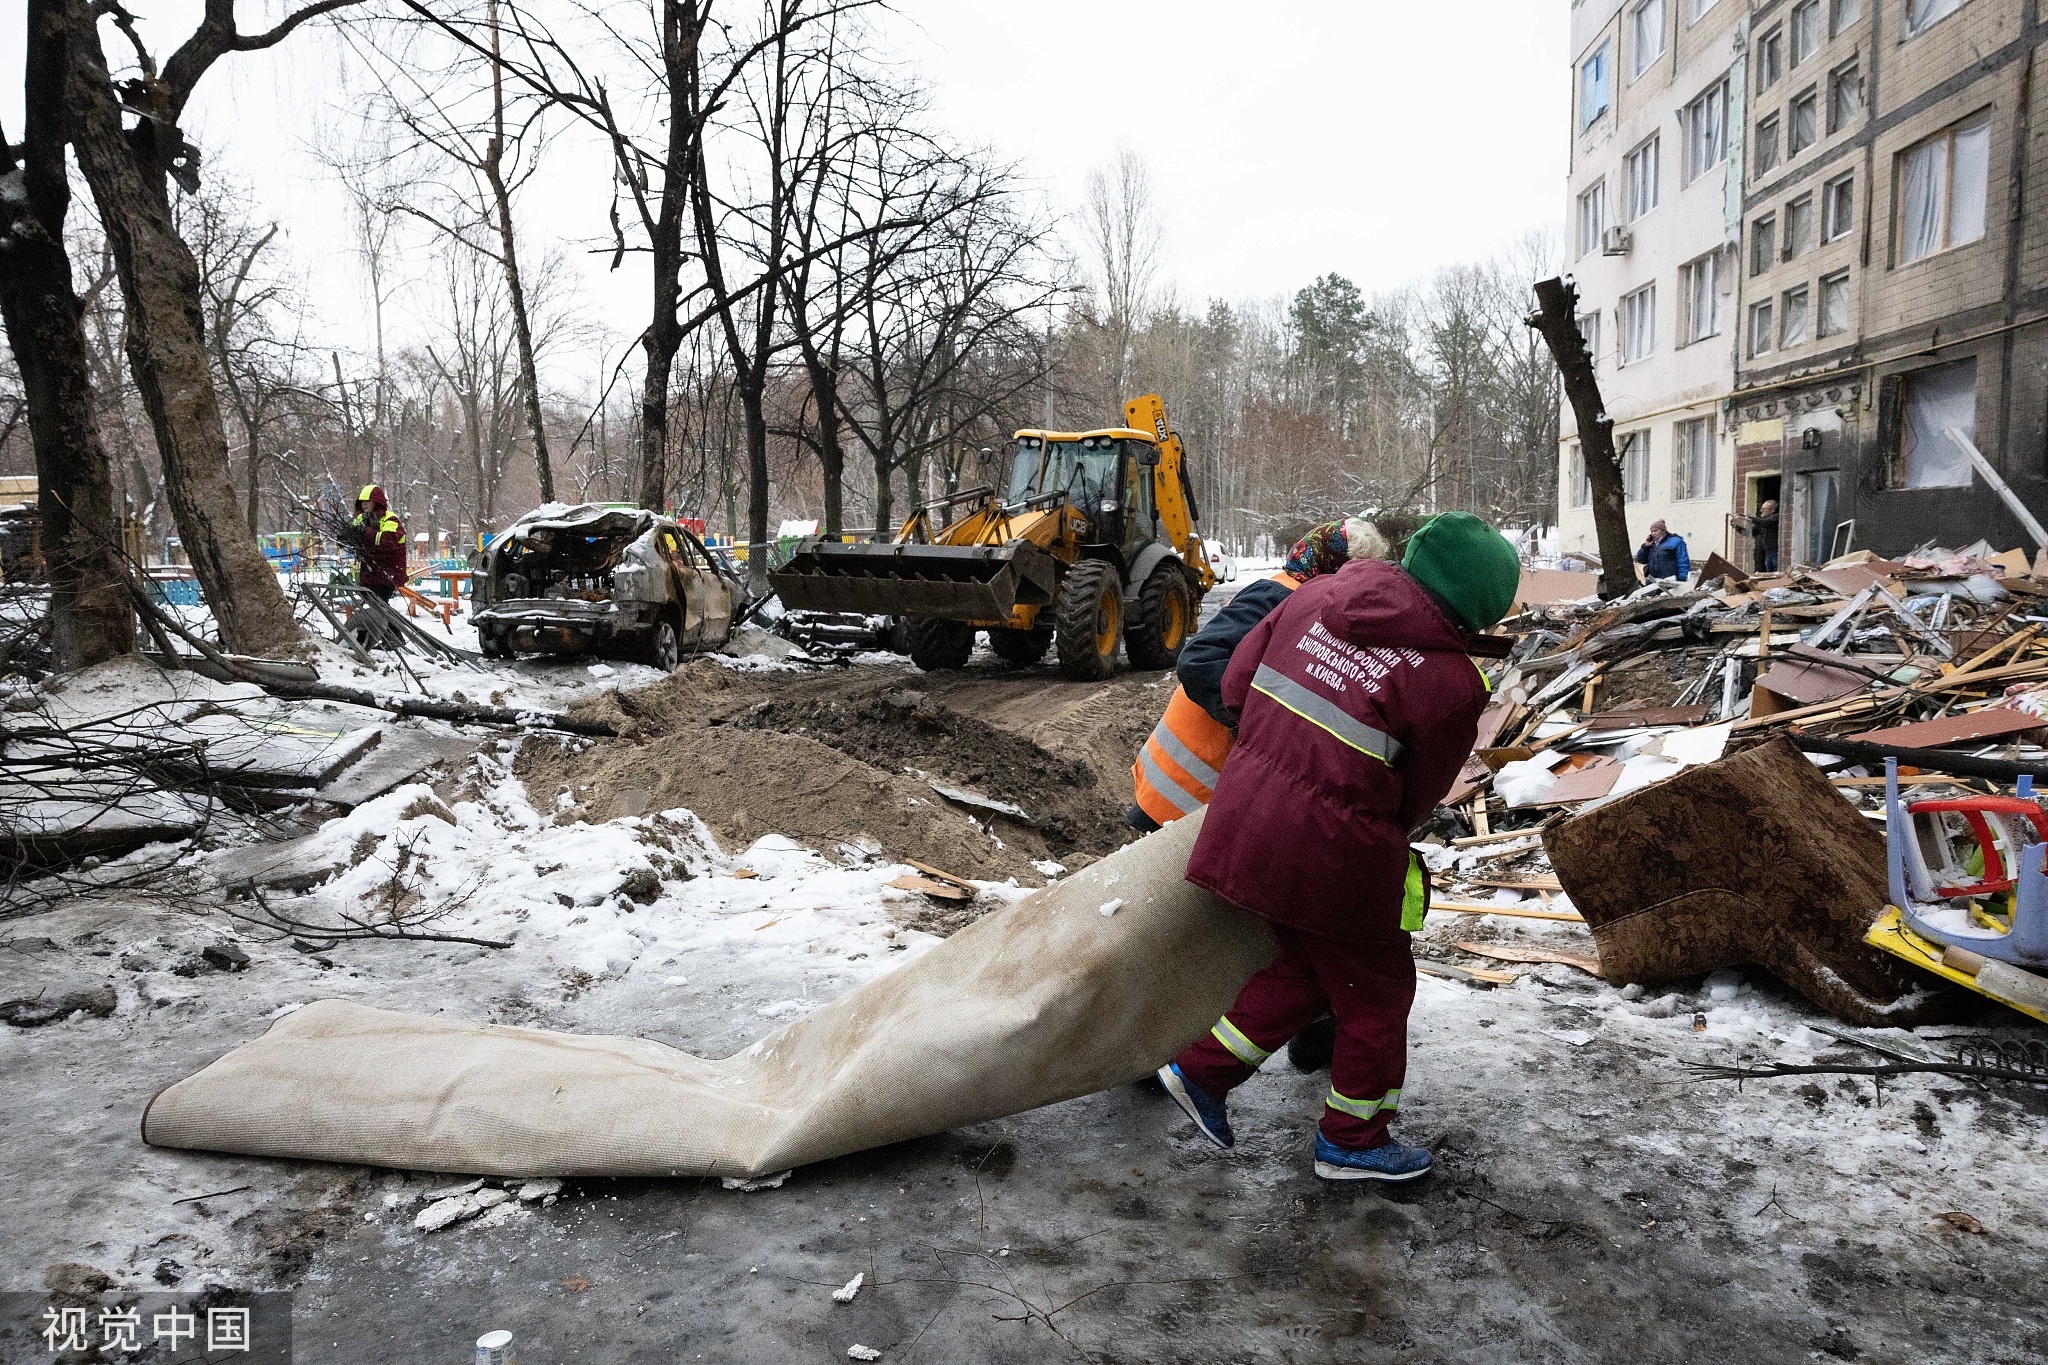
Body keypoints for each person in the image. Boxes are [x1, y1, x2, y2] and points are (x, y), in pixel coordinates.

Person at [1157, 512, 1520, 1182]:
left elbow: (1235, 686)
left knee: (1306, 970)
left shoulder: (1316, 596)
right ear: (1481, 608)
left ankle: (1200, 1071)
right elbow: (1418, 796)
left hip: (1243, 821)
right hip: (1333, 852)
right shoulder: (1451, 683)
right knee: (1379, 992)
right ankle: (1354, 1137)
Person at [1128, 515, 1410, 833]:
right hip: (1184, 784)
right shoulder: (1276, 596)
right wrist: (1261, 724)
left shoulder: (1304, 601)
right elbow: (1198, 662)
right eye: (1362, 572)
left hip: (1194, 784)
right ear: (1340, 567)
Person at [352, 484, 408, 602]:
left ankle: (387, 621)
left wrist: (365, 532)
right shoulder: (361, 519)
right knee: (378, 607)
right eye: (362, 501)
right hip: (369, 573)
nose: (364, 504)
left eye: (368, 501)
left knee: (380, 605)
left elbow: (387, 541)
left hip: (387, 572)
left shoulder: (390, 519)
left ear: (377, 502)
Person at [1731, 500, 1780, 573]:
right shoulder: (1762, 522)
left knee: (1777, 573)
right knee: (1770, 574)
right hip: (1768, 552)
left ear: (1772, 510)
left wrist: (1746, 517)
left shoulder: (1776, 517)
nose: (1761, 511)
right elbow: (1749, 533)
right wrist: (1737, 527)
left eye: (1764, 509)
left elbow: (1765, 522)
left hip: (1777, 552)